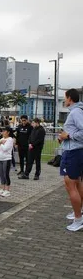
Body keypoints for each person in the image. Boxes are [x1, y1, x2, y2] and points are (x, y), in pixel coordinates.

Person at [59, 89, 83, 231]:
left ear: (70, 98)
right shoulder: (77, 111)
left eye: (65, 97)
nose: (64, 100)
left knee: (70, 185)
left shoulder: (76, 112)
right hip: (74, 151)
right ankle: (79, 213)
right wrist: (63, 137)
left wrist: (68, 136)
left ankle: (78, 218)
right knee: (77, 183)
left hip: (73, 152)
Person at [0, 126, 14, 197]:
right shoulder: (2, 139)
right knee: (1, 174)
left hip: (6, 159)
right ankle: (2, 189)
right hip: (0, 159)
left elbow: (5, 149)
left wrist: (1, 144)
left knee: (6, 174)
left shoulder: (10, 139)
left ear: (8, 132)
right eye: (2, 131)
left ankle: (7, 190)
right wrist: (0, 143)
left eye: (4, 131)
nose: (3, 132)